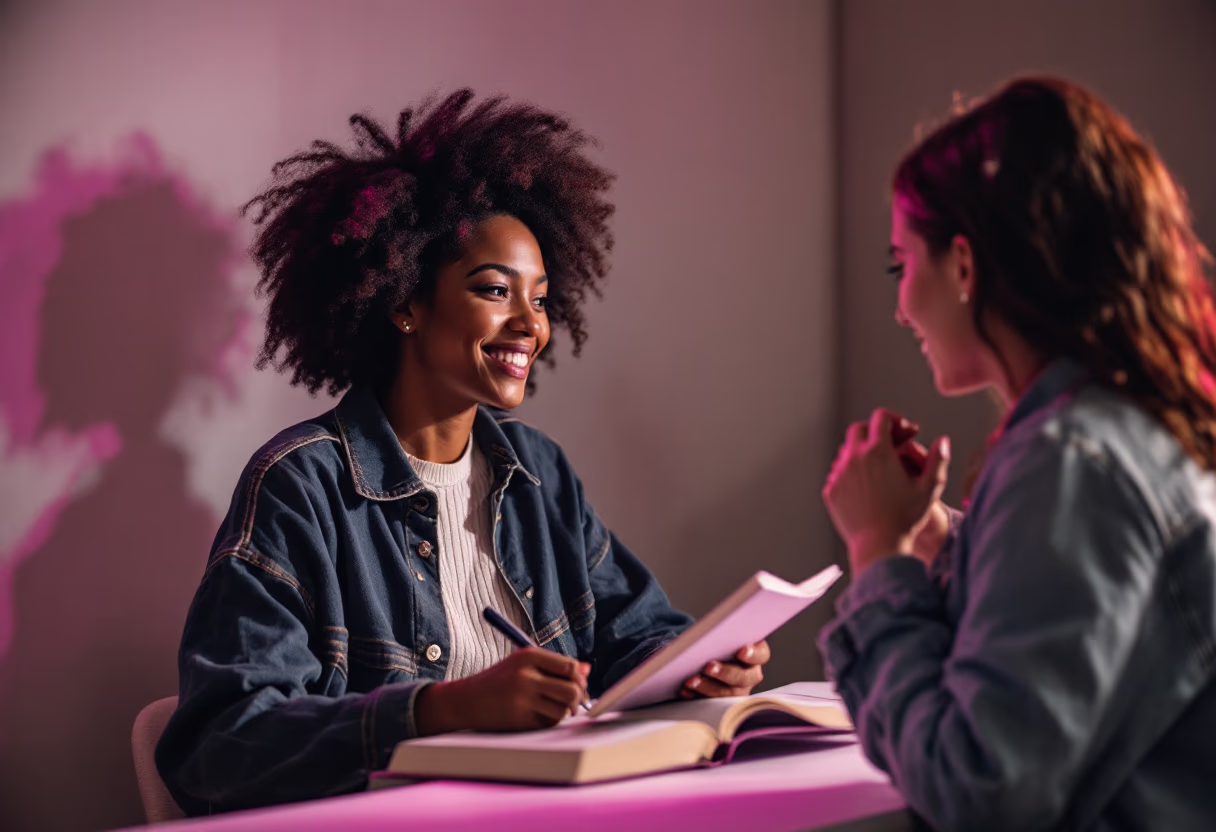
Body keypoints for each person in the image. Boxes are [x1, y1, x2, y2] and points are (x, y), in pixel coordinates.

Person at [156, 90, 770, 815]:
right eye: (494, 290)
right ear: (404, 302)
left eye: (540, 300)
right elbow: (219, 745)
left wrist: (694, 669)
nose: (529, 326)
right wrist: (438, 710)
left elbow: (636, 636)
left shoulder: (539, 474)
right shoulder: (301, 486)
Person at [819, 77, 1216, 831]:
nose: (901, 305)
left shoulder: (1070, 463)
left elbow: (981, 793)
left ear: (965, 266)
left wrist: (878, 554)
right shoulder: (1133, 430)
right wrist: (939, 540)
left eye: (903, 264)